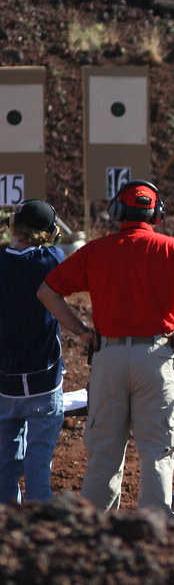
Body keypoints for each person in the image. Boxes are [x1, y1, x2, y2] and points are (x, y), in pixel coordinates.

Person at [37, 180, 174, 521]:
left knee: (104, 454)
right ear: (156, 214)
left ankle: (95, 532)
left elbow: (48, 291)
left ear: (117, 212)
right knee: (157, 451)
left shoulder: (96, 250)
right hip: (155, 358)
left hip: (108, 357)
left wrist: (81, 332)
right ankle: (154, 531)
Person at [0, 200, 66, 502]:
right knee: (39, 459)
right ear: (48, 233)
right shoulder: (51, 260)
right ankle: (39, 523)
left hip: (5, 380)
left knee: (5, 464)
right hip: (43, 377)